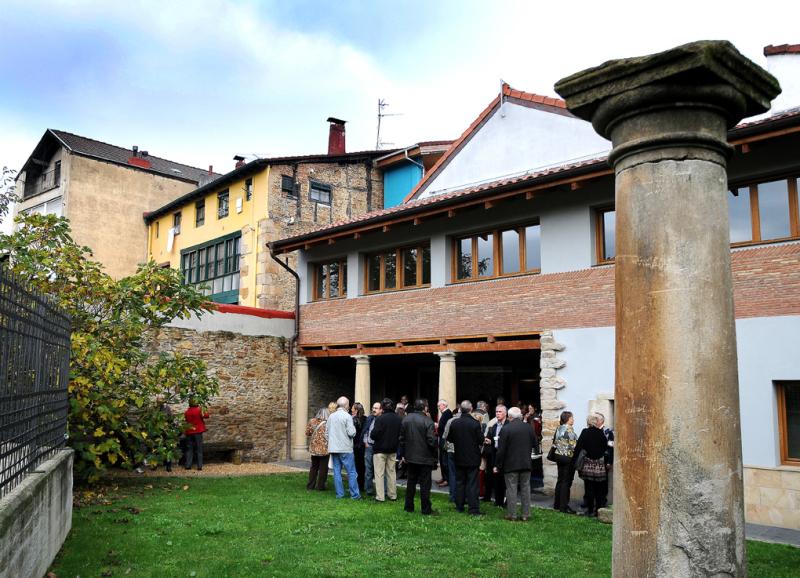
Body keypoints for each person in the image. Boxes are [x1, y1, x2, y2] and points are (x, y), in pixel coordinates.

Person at [495, 406, 536, 521]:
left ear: (509, 416)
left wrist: (498, 465)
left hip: (511, 464)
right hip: (526, 463)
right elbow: (535, 444)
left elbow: (501, 450)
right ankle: (526, 514)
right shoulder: (528, 428)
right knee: (525, 488)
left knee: (511, 489)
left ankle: (512, 514)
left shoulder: (506, 429)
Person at [399, 399, 439, 515]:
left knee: (411, 482)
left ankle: (408, 506)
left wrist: (404, 454)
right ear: (425, 408)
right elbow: (431, 441)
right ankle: (426, 509)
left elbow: (401, 439)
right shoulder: (428, 421)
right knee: (425, 484)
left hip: (411, 457)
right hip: (425, 458)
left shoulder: (406, 419)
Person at [447, 400, 484, 516]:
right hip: (472, 458)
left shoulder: (455, 423)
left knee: (460, 482)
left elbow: (450, 438)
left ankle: (459, 506)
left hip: (459, 456)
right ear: (471, 409)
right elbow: (480, 440)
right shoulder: (475, 423)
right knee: (472, 483)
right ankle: (473, 509)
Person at [573, 412, 610, 517]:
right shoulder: (601, 433)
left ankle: (589, 510)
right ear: (596, 422)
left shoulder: (585, 432)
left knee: (589, 488)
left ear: (588, 422)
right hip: (599, 464)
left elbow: (579, 446)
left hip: (588, 463)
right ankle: (598, 510)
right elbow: (604, 447)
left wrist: (574, 460)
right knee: (599, 488)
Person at [326, 396, 361, 499]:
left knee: (337, 471)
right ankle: (355, 495)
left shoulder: (331, 416)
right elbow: (352, 433)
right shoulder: (347, 416)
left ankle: (339, 494)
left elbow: (326, 434)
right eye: (349, 404)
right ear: (346, 405)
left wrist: (332, 442)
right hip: (345, 448)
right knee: (351, 472)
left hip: (334, 448)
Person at [371, 397, 402, 502]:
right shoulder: (398, 418)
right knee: (391, 473)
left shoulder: (380, 419)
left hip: (380, 449)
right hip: (393, 449)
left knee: (379, 474)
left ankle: (380, 497)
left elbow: (373, 435)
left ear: (383, 407)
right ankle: (392, 495)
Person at [552, 410, 578, 513]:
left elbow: (555, 442)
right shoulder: (570, 430)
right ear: (568, 419)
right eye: (572, 418)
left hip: (559, 456)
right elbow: (574, 446)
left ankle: (557, 504)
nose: (573, 420)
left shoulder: (559, 428)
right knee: (566, 482)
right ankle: (564, 506)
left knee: (560, 480)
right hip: (567, 458)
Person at [484, 405, 508, 507]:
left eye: (500, 412)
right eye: (496, 412)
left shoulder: (508, 425)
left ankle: (506, 501)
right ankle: (498, 501)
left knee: (505, 480)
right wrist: (489, 441)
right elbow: (491, 438)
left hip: (506, 456)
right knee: (497, 479)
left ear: (505, 413)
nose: (497, 414)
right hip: (496, 454)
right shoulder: (494, 426)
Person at [305, 407, 331, 490]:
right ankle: (321, 486)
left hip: (314, 449)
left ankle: (310, 485)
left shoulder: (312, 421)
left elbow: (307, 433)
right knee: (323, 469)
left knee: (314, 467)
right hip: (324, 449)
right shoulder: (328, 423)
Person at [363, 401, 382, 495]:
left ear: (381, 410)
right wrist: (365, 441)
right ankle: (369, 490)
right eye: (373, 408)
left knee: (379, 471)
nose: (373, 410)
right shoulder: (370, 418)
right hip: (369, 446)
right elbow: (365, 430)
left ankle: (382, 491)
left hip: (379, 448)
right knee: (368, 470)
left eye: (376, 408)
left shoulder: (382, 419)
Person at [183, 400, 209, 470]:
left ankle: (188, 465)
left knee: (189, 449)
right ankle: (199, 466)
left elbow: (185, 420)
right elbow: (207, 415)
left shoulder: (186, 412)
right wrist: (204, 408)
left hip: (189, 431)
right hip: (198, 431)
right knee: (199, 449)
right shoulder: (199, 410)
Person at [597, 412, 614, 509]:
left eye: (597, 419)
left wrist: (610, 462)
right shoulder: (594, 430)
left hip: (605, 460)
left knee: (603, 481)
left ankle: (603, 500)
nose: (595, 421)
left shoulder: (608, 432)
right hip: (595, 461)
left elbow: (611, 447)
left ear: (601, 421)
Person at [436, 399, 453, 488]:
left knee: (445, 460)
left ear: (444, 405)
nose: (438, 407)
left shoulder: (447, 413)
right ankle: (444, 477)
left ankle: (447, 479)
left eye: (439, 406)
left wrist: (437, 425)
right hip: (442, 438)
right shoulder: (445, 413)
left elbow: (445, 426)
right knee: (442, 460)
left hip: (445, 439)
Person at [351, 402, 367, 492]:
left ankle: (357, 485)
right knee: (362, 467)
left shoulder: (353, 420)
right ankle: (361, 485)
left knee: (356, 466)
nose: (351, 410)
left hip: (356, 446)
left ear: (356, 410)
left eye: (353, 409)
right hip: (363, 446)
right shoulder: (366, 419)